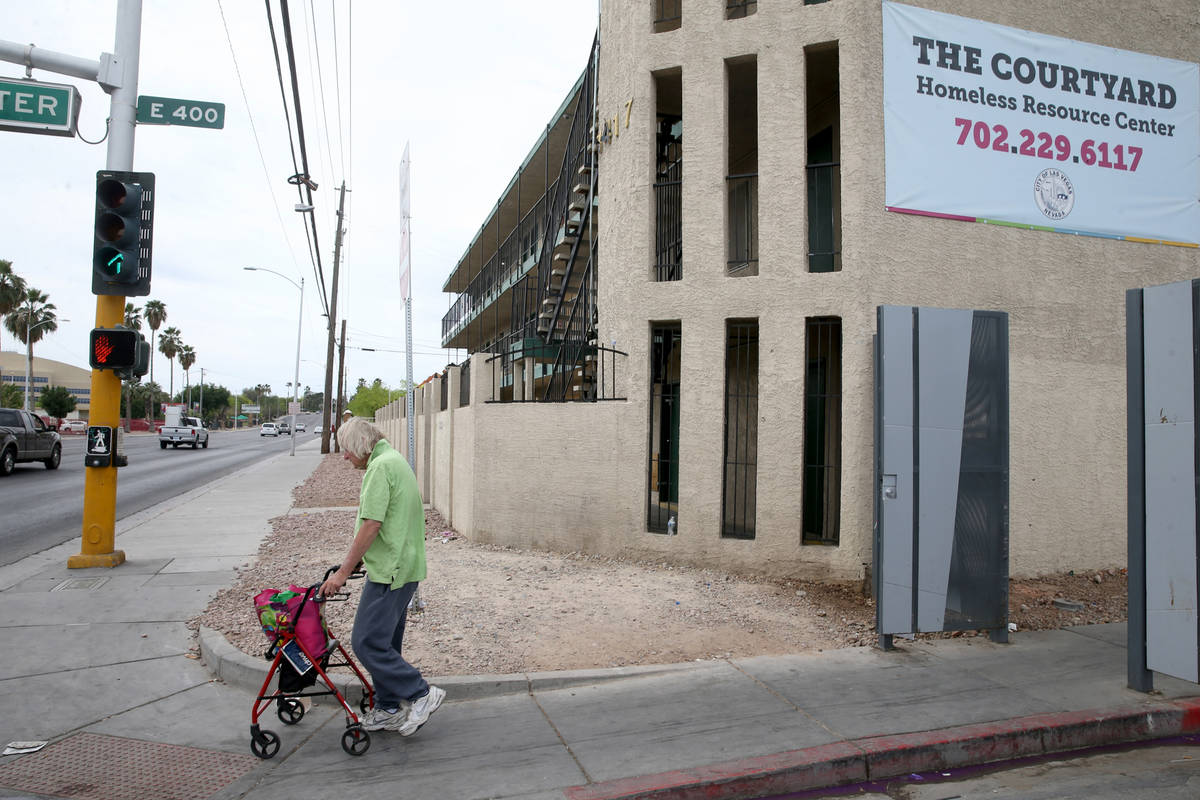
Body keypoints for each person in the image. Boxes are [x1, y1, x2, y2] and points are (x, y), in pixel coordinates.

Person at [319, 417, 444, 735]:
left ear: (361, 445)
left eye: (346, 450)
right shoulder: (393, 459)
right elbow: (389, 520)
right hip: (404, 566)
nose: (345, 457)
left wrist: (344, 572)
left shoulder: (379, 468)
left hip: (391, 571)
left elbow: (371, 524)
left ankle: (420, 692)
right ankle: (388, 708)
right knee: (386, 642)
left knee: (366, 641)